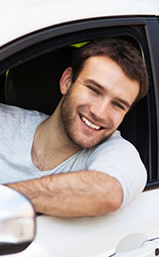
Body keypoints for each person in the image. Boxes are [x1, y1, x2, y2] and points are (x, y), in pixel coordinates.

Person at [0, 37, 149, 217]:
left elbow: (107, 193)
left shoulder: (118, 152)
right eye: (94, 90)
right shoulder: (4, 122)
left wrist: (7, 199)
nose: (100, 113)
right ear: (67, 81)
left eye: (118, 105)